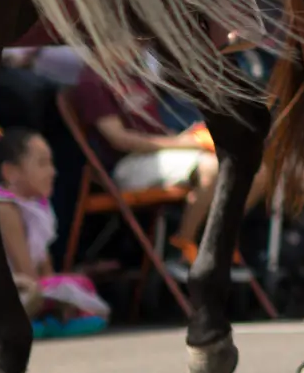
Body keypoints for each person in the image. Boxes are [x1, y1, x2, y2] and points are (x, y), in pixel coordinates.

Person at [66, 60, 221, 250]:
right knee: (213, 167)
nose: (143, 41)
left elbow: (158, 131)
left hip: (158, 152)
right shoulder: (94, 80)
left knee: (253, 170)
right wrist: (181, 144)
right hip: (126, 164)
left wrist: (191, 138)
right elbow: (119, 140)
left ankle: (213, 241)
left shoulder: (135, 73)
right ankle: (182, 247)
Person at [0, 127, 111, 333]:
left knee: (78, 285)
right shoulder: (4, 209)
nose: (53, 172)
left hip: (26, 286)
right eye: (42, 164)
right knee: (44, 292)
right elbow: (26, 273)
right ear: (11, 172)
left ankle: (51, 316)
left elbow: (45, 270)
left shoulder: (36, 207)